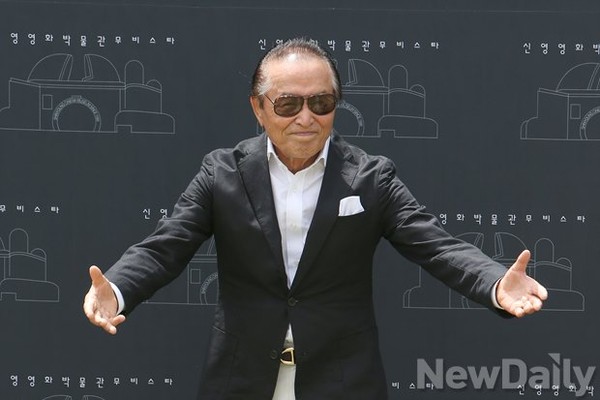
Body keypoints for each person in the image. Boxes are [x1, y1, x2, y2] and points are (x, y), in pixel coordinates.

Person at [83, 37, 548, 400]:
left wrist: (495, 282)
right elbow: (166, 246)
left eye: (321, 103)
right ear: (258, 108)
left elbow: (437, 246)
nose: (306, 117)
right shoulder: (222, 173)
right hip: (241, 380)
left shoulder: (370, 178)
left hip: (342, 380)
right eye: (288, 104)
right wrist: (117, 288)